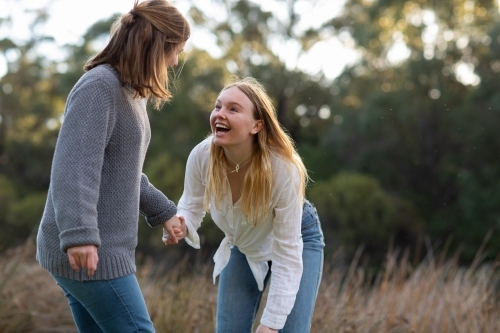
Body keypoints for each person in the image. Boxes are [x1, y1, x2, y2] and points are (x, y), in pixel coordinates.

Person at [36, 1, 190, 332]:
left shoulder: (130, 93)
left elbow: (122, 171)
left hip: (98, 249)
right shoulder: (100, 86)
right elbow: (74, 165)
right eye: (176, 50)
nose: (175, 61)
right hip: (90, 251)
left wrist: (162, 210)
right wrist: (79, 235)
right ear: (156, 45)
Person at [163, 77, 325, 332]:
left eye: (233, 109)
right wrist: (182, 223)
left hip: (296, 239)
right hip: (243, 242)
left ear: (257, 125)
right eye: (218, 107)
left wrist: (270, 323)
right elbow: (192, 204)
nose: (220, 114)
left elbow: (287, 253)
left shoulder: (282, 169)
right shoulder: (202, 156)